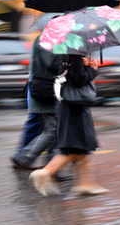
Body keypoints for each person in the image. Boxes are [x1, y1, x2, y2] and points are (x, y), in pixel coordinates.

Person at [29, 54, 109, 197]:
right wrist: (92, 69)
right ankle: (44, 173)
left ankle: (85, 184)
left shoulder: (67, 50)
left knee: (83, 148)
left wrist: (83, 66)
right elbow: (79, 79)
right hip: (75, 106)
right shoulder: (75, 51)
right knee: (73, 148)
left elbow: (71, 72)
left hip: (71, 104)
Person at [11, 34, 63, 169]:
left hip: (49, 89)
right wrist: (66, 52)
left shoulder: (49, 38)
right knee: (53, 128)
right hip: (45, 90)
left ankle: (51, 167)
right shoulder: (47, 38)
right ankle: (24, 157)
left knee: (54, 129)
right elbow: (51, 61)